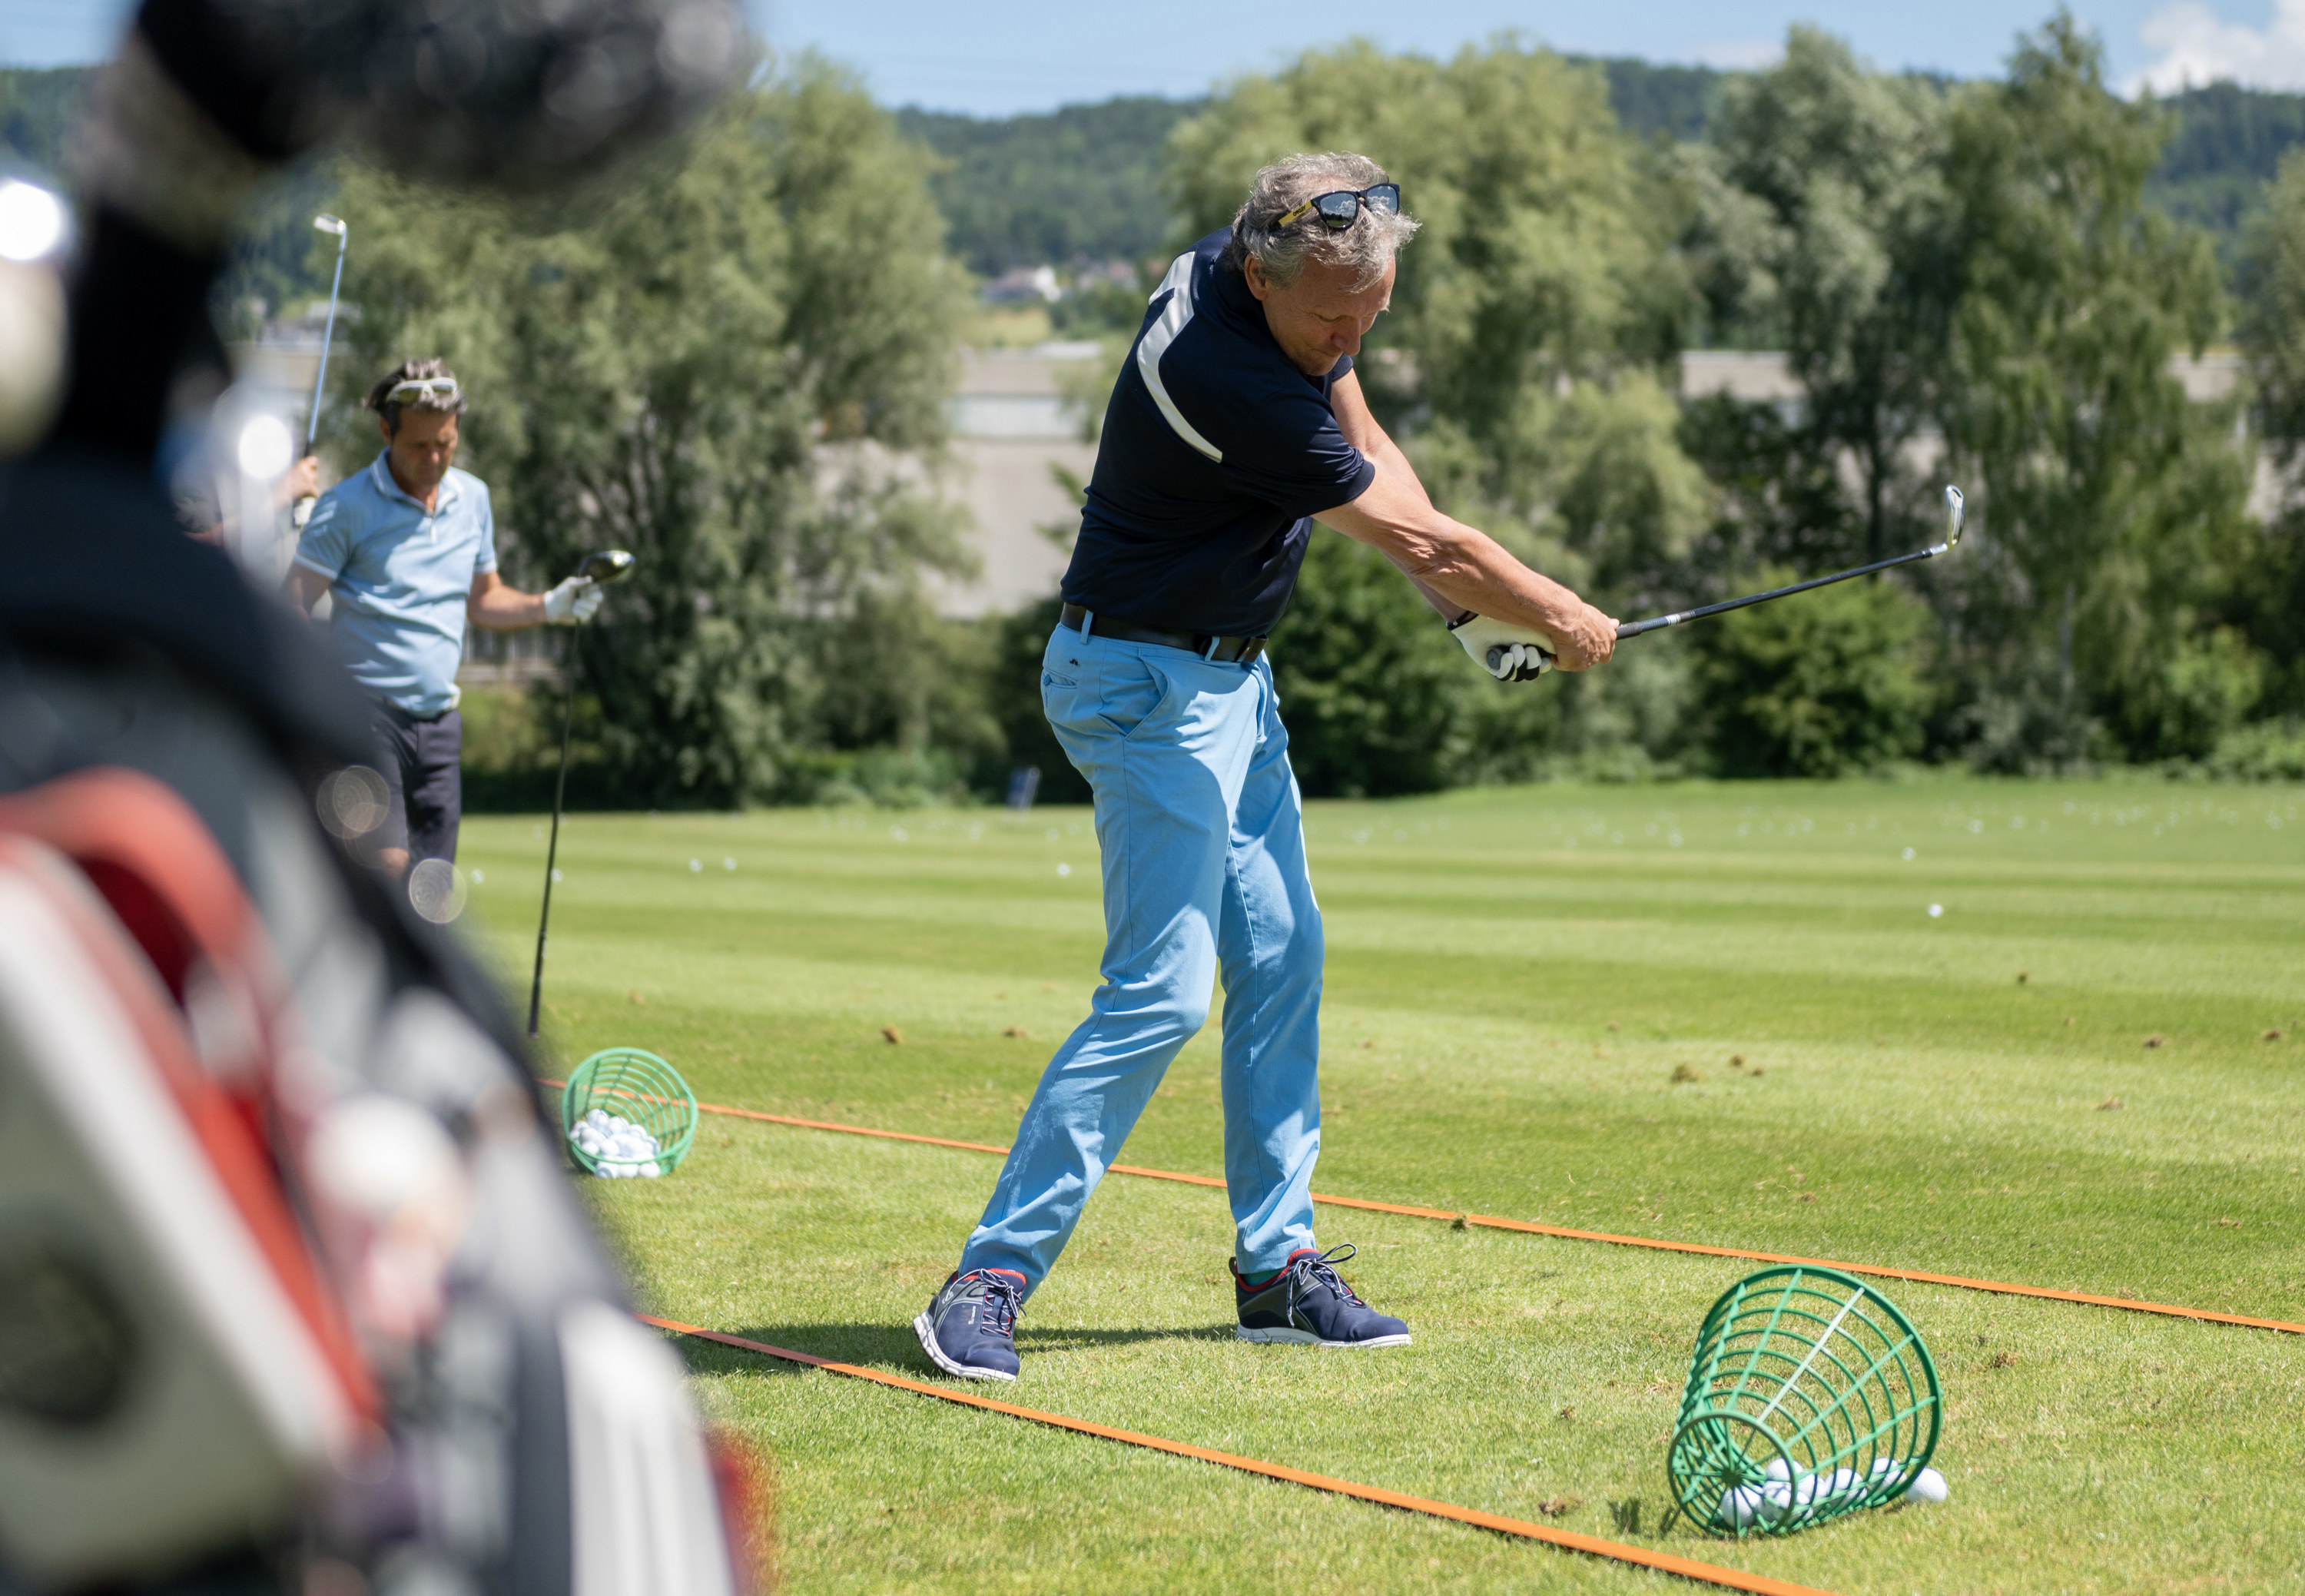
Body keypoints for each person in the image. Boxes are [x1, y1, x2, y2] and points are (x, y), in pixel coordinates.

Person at [914, 153, 1620, 1382]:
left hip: (1230, 679)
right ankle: (986, 1280)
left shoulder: (1266, 273)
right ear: (1262, 272)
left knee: (1286, 952)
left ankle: (1275, 1270)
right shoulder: (1227, 373)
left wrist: (1465, 609)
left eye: (1372, 314)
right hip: (1141, 684)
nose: (1349, 337)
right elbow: (1416, 534)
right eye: (1332, 319)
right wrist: (1553, 610)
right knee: (1161, 995)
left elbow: (1367, 432)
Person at [286, 359, 601, 876]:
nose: (434, 457)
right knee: (385, 866)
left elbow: (484, 600)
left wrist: (551, 605)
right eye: (418, 445)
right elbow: (293, 602)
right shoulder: (345, 507)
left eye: (446, 443)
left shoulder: (473, 498)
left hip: (439, 724)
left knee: (432, 885)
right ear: (386, 431)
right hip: (366, 717)